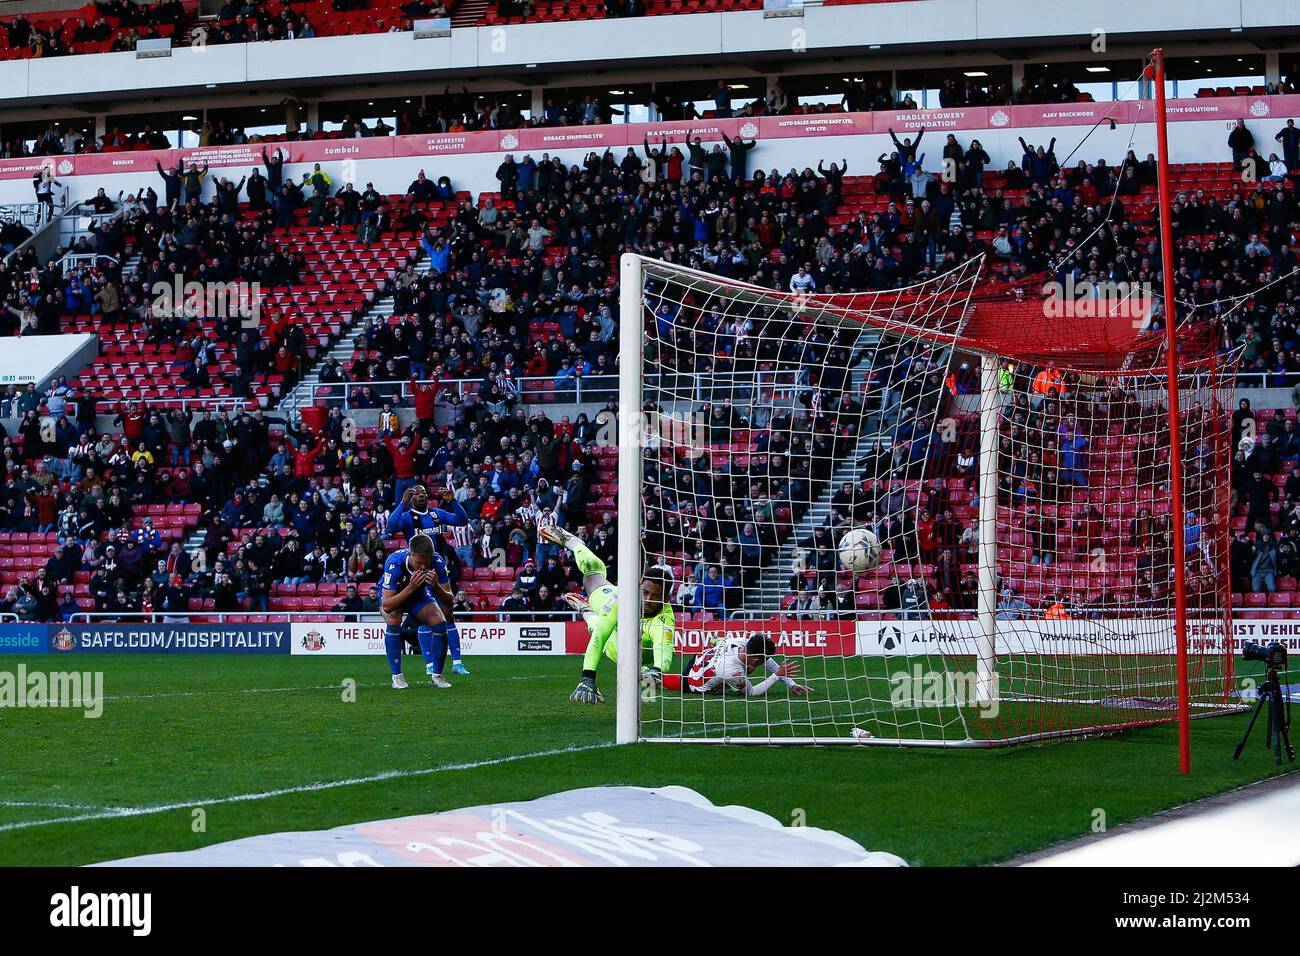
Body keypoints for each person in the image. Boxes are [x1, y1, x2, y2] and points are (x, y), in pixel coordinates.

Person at [539, 524, 675, 704]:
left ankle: (585, 609)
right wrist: (587, 678)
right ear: (638, 589)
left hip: (641, 651)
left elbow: (663, 648)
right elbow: (599, 638)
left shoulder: (663, 619)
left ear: (666, 598)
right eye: (645, 593)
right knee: (591, 571)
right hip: (609, 603)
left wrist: (657, 670)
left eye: (656, 596)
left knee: (639, 671)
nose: (648, 600)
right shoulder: (622, 601)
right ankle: (574, 542)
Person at [379, 534, 453, 689]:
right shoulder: (394, 563)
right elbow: (387, 605)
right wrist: (411, 588)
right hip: (395, 595)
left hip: (418, 596)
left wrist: (436, 587)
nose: (423, 567)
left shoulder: (438, 562)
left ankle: (437, 676)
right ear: (410, 555)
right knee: (393, 619)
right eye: (419, 562)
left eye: (427, 562)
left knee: (440, 623)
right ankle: (397, 676)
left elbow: (449, 599)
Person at [661, 634, 809, 696]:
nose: (766, 662)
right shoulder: (734, 673)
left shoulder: (742, 642)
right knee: (668, 682)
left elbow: (767, 661)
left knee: (747, 668)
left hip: (700, 658)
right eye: (762, 661)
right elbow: (752, 692)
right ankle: (648, 676)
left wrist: (791, 683)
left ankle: (717, 641)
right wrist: (777, 676)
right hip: (695, 683)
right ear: (757, 660)